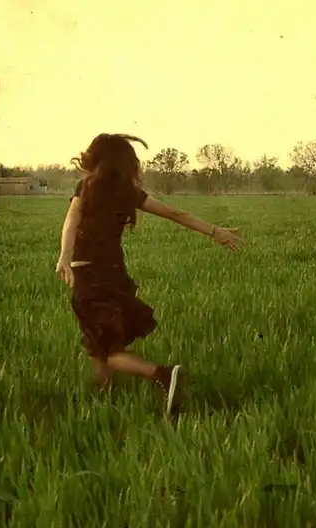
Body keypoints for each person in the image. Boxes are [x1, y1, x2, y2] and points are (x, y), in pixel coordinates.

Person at [55, 133, 241, 415]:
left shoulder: (87, 187)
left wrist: (65, 256)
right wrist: (216, 232)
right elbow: (174, 213)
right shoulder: (128, 192)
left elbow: (71, 221)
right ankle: (105, 397)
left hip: (89, 277)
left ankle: (161, 375)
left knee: (106, 350)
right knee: (99, 341)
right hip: (116, 275)